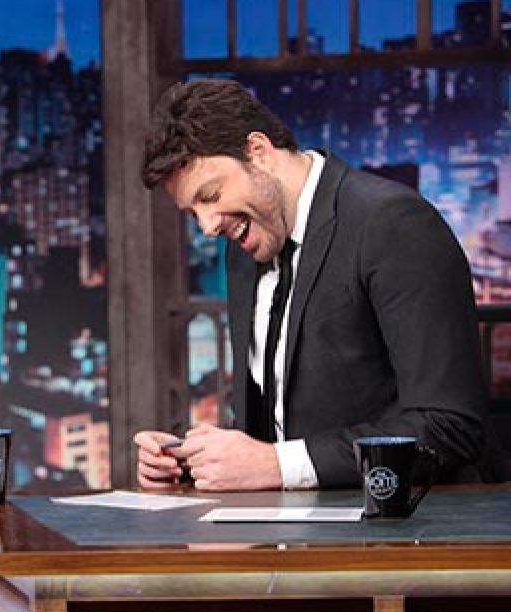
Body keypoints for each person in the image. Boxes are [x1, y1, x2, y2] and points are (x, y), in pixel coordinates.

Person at [134, 78, 486, 492]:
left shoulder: (392, 224)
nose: (208, 226)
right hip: (292, 524)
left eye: (210, 196)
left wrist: (275, 465)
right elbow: (275, 429)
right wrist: (194, 461)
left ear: (259, 152)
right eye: (193, 213)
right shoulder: (244, 249)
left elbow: (449, 426)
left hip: (402, 522)